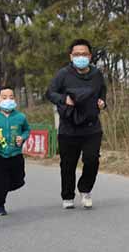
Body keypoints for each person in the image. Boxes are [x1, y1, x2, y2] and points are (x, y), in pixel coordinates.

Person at [46, 39, 107, 209]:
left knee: (92, 159)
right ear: (71, 56)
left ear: (90, 56)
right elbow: (50, 93)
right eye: (77, 54)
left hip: (91, 126)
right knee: (68, 164)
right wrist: (63, 99)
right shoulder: (63, 74)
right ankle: (67, 196)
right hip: (68, 127)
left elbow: (102, 91)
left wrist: (103, 102)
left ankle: (85, 188)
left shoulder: (96, 74)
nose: (81, 57)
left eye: (84, 54)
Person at [0, 87, 30, 216]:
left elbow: (27, 130)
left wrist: (22, 138)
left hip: (16, 154)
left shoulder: (20, 117)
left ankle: (5, 187)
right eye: (4, 97)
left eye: (11, 97)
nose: (8, 100)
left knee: (19, 180)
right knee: (0, 181)